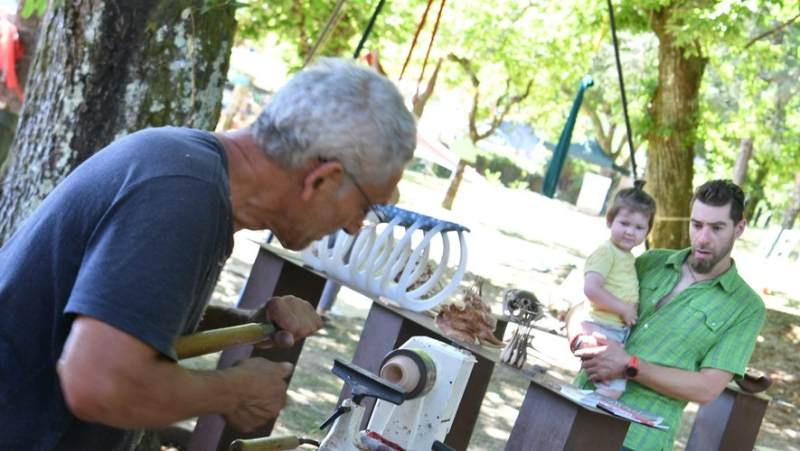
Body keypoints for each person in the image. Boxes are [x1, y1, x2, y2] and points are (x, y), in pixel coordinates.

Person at [0, 57, 417, 450]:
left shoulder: (191, 168)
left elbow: (128, 323)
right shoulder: (183, 193)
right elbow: (98, 384)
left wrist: (245, 323)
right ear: (323, 179)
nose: (352, 226)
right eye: (365, 207)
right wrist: (236, 389)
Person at [571, 179, 766, 450]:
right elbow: (582, 306)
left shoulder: (746, 307)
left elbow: (707, 389)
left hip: (639, 439)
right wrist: (580, 341)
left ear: (739, 228)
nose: (703, 238)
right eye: (696, 224)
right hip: (578, 406)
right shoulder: (650, 261)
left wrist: (630, 365)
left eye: (717, 228)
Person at [571, 185, 656, 399]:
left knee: (601, 380)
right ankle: (585, 410)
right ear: (609, 221)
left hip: (614, 329)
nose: (630, 231)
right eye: (624, 223)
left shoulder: (626, 256)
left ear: (647, 232)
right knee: (612, 388)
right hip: (602, 327)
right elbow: (591, 288)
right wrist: (624, 309)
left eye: (638, 227)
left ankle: (581, 403)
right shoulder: (606, 252)